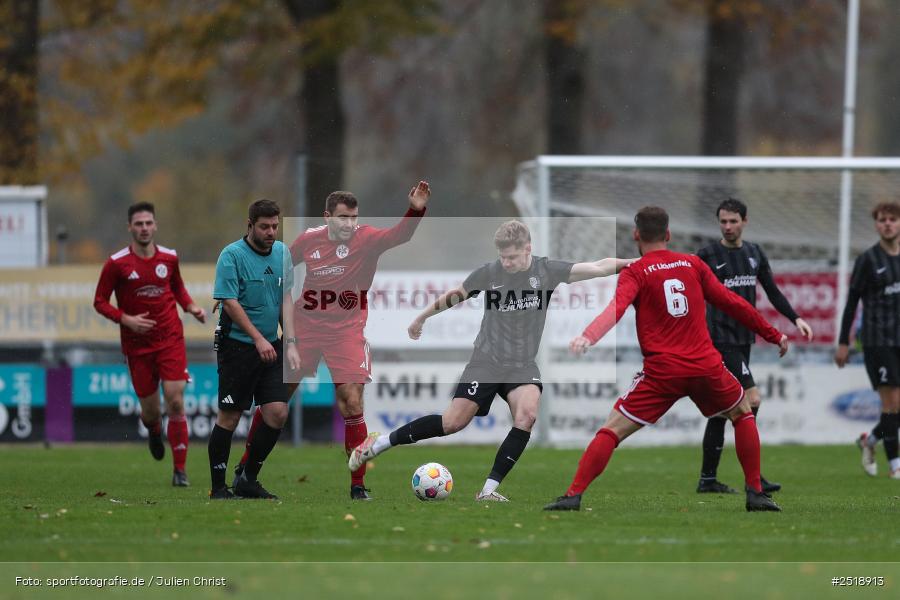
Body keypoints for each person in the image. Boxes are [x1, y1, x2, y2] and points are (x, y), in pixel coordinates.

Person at [348, 219, 632, 501]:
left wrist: (636, 262)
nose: (506, 263)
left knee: (527, 415)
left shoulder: (546, 270)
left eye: (511, 257)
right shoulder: (490, 273)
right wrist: (422, 317)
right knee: (452, 423)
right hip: (487, 360)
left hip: (522, 365)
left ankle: (488, 491)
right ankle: (379, 444)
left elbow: (597, 267)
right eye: (502, 257)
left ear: (527, 249)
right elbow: (455, 295)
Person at [543, 206, 788, 513]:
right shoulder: (693, 263)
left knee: (611, 429)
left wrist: (588, 336)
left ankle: (573, 495)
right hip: (705, 365)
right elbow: (733, 303)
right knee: (742, 413)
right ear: (668, 235)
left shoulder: (636, 271)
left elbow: (615, 310)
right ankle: (755, 492)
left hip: (663, 373)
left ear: (636, 235)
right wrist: (773, 334)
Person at [234, 181, 431, 500]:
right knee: (276, 401)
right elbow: (276, 269)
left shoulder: (366, 238)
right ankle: (245, 469)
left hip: (346, 330)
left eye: (353, 217)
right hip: (306, 327)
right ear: (327, 217)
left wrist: (415, 210)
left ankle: (357, 485)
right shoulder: (307, 241)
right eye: (342, 217)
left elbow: (400, 235)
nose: (349, 223)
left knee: (352, 400)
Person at [694, 197, 813, 494]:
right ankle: (753, 477)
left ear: (745, 221)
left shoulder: (754, 253)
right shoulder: (707, 255)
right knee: (752, 400)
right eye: (723, 221)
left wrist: (795, 318)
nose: (728, 226)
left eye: (733, 221)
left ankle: (708, 480)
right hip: (719, 339)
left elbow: (772, 291)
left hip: (744, 338)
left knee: (724, 410)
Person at [94, 202, 206, 487]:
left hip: (169, 338)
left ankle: (180, 471)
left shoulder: (169, 258)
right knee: (151, 411)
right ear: (130, 227)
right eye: (139, 224)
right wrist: (125, 319)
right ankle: (154, 430)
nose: (144, 228)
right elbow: (99, 302)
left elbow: (177, 288)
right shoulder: (117, 263)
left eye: (148, 223)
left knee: (176, 400)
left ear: (155, 226)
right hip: (137, 346)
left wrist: (191, 307)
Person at [208, 199, 300, 500]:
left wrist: (290, 341)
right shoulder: (231, 255)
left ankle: (248, 478)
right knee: (230, 418)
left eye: (275, 226)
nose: (271, 232)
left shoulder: (283, 253)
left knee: (277, 412)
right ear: (250, 226)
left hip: (271, 348)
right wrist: (258, 338)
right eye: (264, 226)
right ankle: (219, 488)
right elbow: (229, 302)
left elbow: (286, 298)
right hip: (238, 348)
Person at [835, 201, 900, 479]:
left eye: (892, 219)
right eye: (882, 219)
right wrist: (843, 342)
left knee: (897, 406)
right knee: (891, 402)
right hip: (876, 340)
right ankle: (896, 466)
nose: (887, 224)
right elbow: (851, 303)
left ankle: (870, 441)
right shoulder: (867, 261)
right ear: (876, 224)